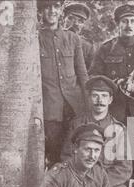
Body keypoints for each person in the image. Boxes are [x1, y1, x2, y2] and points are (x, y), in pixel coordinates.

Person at [62, 75, 134, 187]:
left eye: (103, 96)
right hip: (80, 179)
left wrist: (101, 183)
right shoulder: (76, 124)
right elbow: (66, 156)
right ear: (89, 98)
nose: (99, 100)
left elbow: (125, 168)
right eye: (95, 95)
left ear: (110, 100)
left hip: (109, 183)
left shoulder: (119, 129)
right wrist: (81, 179)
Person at [38, 0, 89, 168]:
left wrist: (88, 105)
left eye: (56, 7)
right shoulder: (35, 38)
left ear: (61, 11)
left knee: (76, 154)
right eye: (47, 7)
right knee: (54, 156)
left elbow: (82, 74)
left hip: (75, 107)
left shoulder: (72, 38)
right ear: (41, 11)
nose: (52, 11)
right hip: (50, 109)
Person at [89, 3, 134, 124]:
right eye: (125, 21)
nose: (129, 25)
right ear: (118, 24)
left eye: (133, 21)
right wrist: (111, 85)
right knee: (114, 141)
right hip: (114, 108)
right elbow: (93, 76)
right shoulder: (106, 49)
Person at [63, 2, 95, 70]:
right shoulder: (52, 40)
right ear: (63, 19)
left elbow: (91, 73)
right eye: (71, 18)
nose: (76, 24)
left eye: (81, 21)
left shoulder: (87, 47)